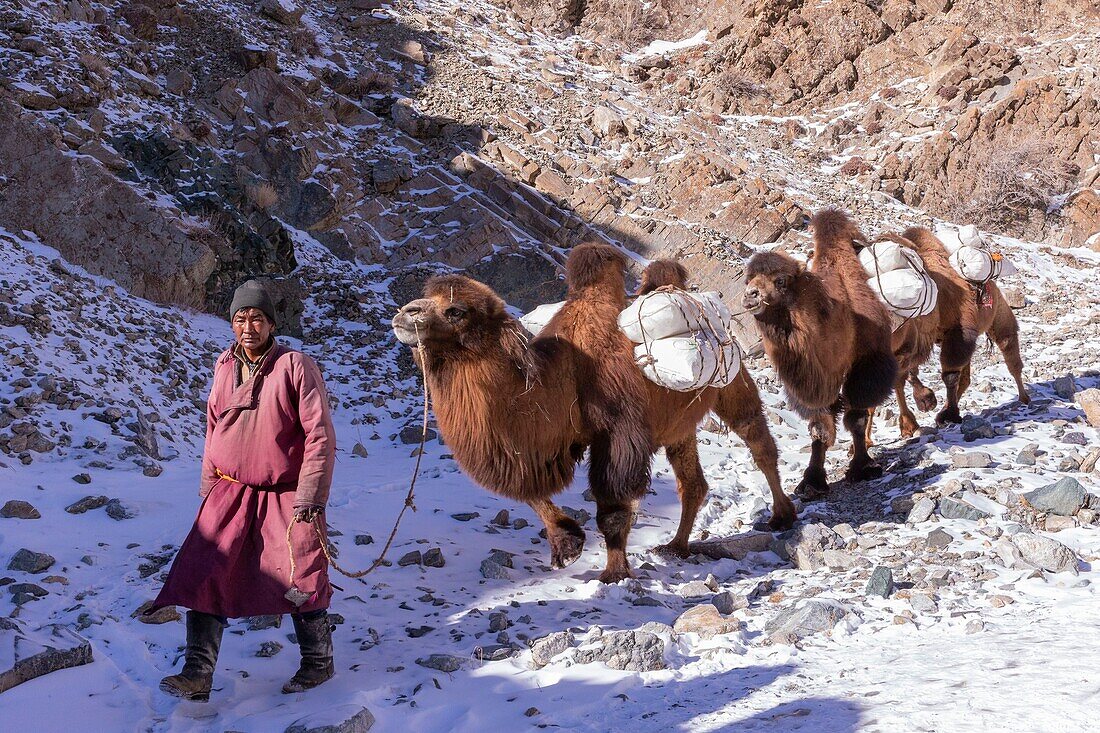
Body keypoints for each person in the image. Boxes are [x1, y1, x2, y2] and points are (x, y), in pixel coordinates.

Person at [150, 279, 337, 701]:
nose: (247, 326)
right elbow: (213, 428)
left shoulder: (295, 365)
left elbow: (319, 435)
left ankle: (318, 664)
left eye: (256, 318)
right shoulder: (223, 365)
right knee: (205, 570)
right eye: (240, 318)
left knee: (300, 572)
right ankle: (197, 673)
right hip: (229, 490)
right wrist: (208, 489)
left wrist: (311, 495)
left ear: (271, 323)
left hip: (287, 492)